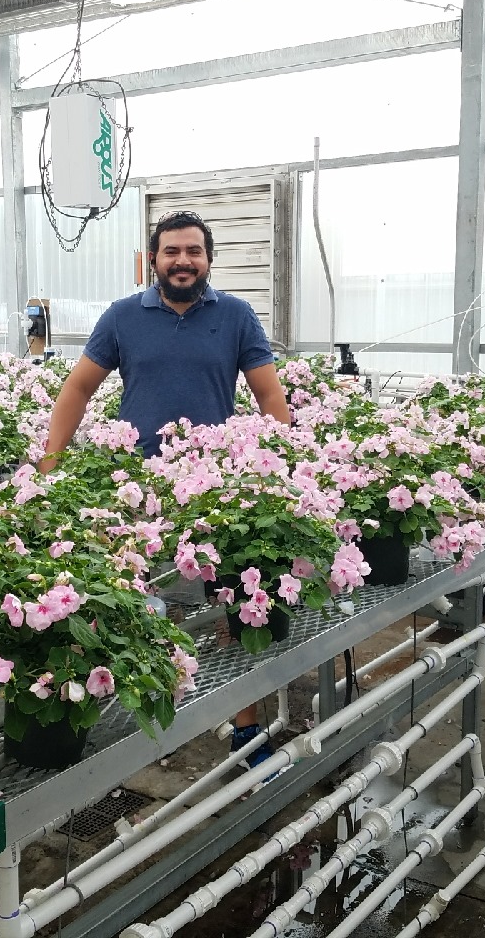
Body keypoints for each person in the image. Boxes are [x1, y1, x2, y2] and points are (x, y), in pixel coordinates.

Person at [39, 210, 291, 763]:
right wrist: (49, 463)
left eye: (193, 251)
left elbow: (269, 397)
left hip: (218, 487)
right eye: (171, 251)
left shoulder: (238, 316)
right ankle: (149, 715)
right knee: (137, 597)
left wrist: (278, 461)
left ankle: (245, 727)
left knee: (235, 602)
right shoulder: (124, 316)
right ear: (152, 259)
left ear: (208, 259)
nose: (183, 261)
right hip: (138, 485)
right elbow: (78, 388)